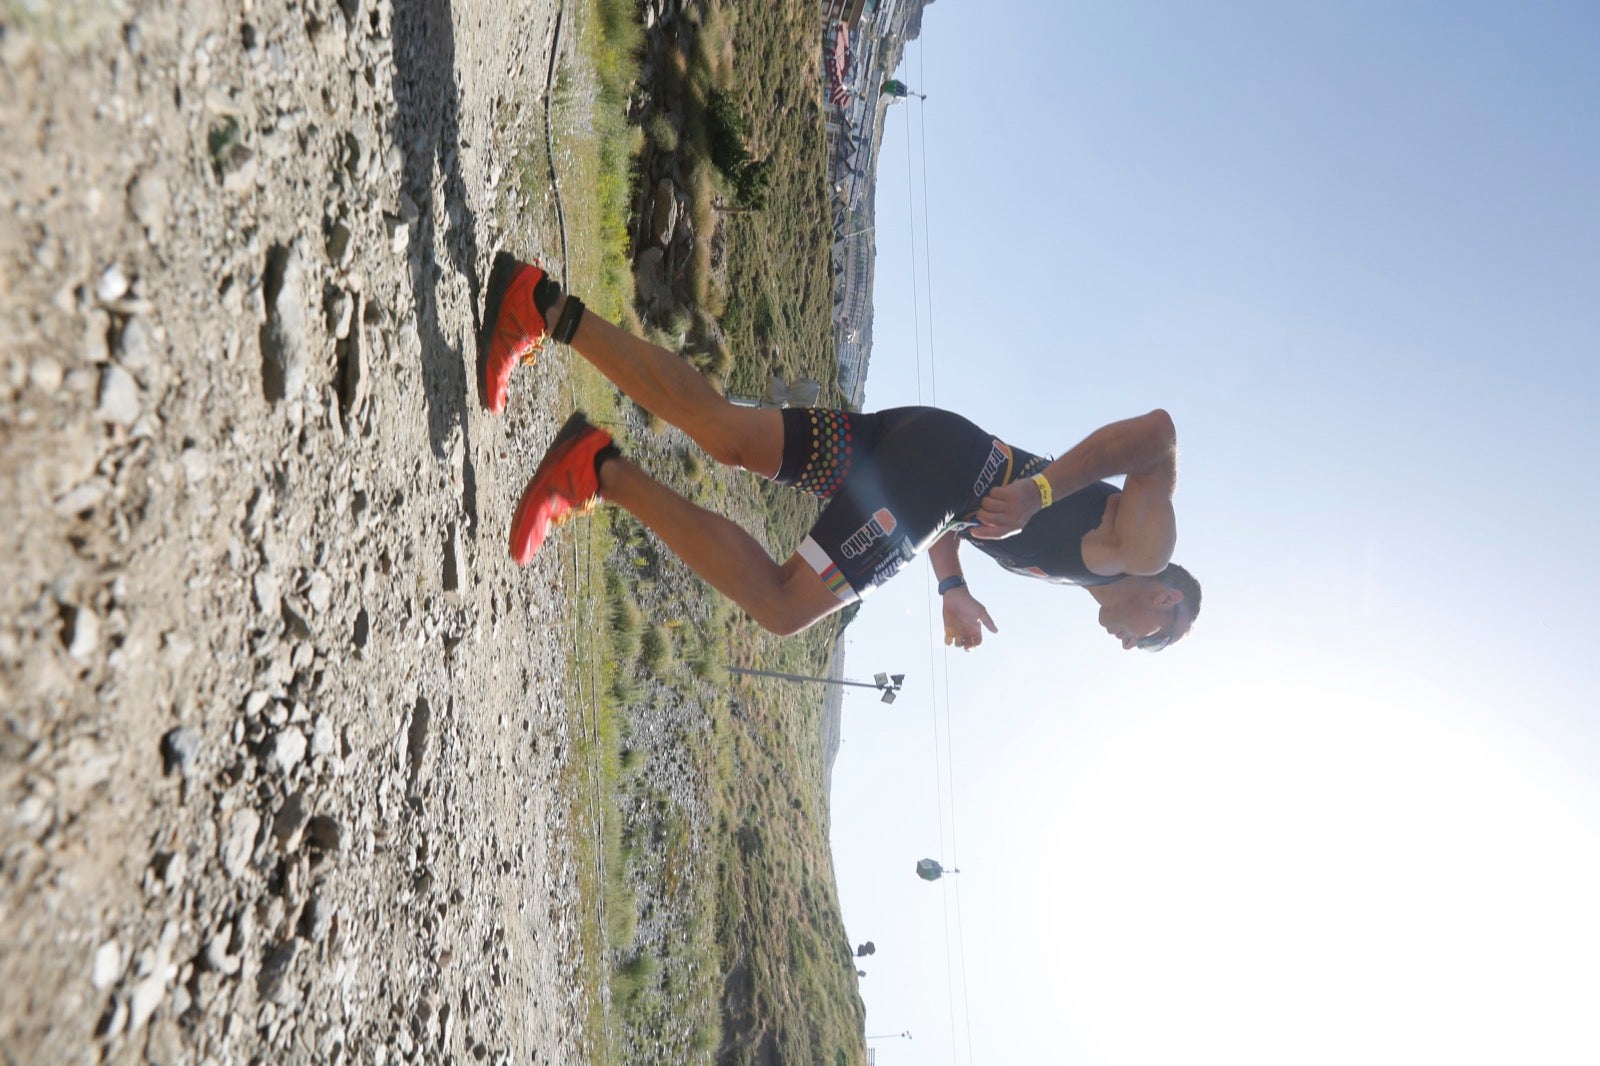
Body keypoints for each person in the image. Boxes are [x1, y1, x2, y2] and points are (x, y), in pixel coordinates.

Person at [479, 253, 1200, 652]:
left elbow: (963, 513)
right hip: (928, 477)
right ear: (1167, 601)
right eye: (1156, 640)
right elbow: (1159, 435)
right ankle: (596, 471)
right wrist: (1041, 494)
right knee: (784, 604)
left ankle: (538, 303)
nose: (1135, 648)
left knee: (727, 436)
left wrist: (952, 590)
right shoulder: (1143, 552)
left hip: (931, 451)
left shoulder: (1077, 575)